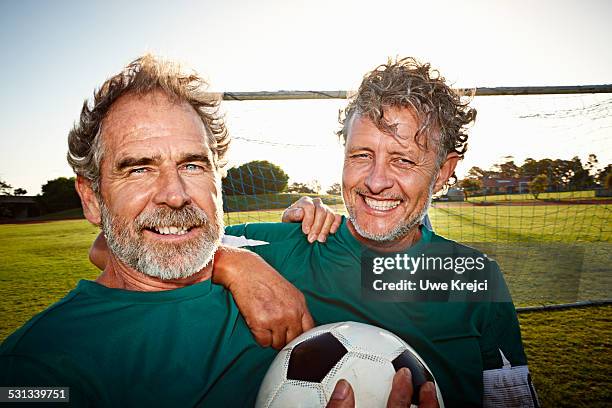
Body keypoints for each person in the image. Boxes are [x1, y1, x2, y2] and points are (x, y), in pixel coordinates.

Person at [0, 54, 422, 408]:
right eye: (140, 169)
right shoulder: (37, 366)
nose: (174, 194)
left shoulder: (286, 250)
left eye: (192, 165)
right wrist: (231, 263)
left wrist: (233, 260)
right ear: (92, 199)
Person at [223, 58, 539, 407]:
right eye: (361, 155)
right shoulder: (278, 248)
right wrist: (233, 263)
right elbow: (166, 248)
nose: (375, 182)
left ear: (442, 171)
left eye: (403, 160)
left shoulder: (476, 278)